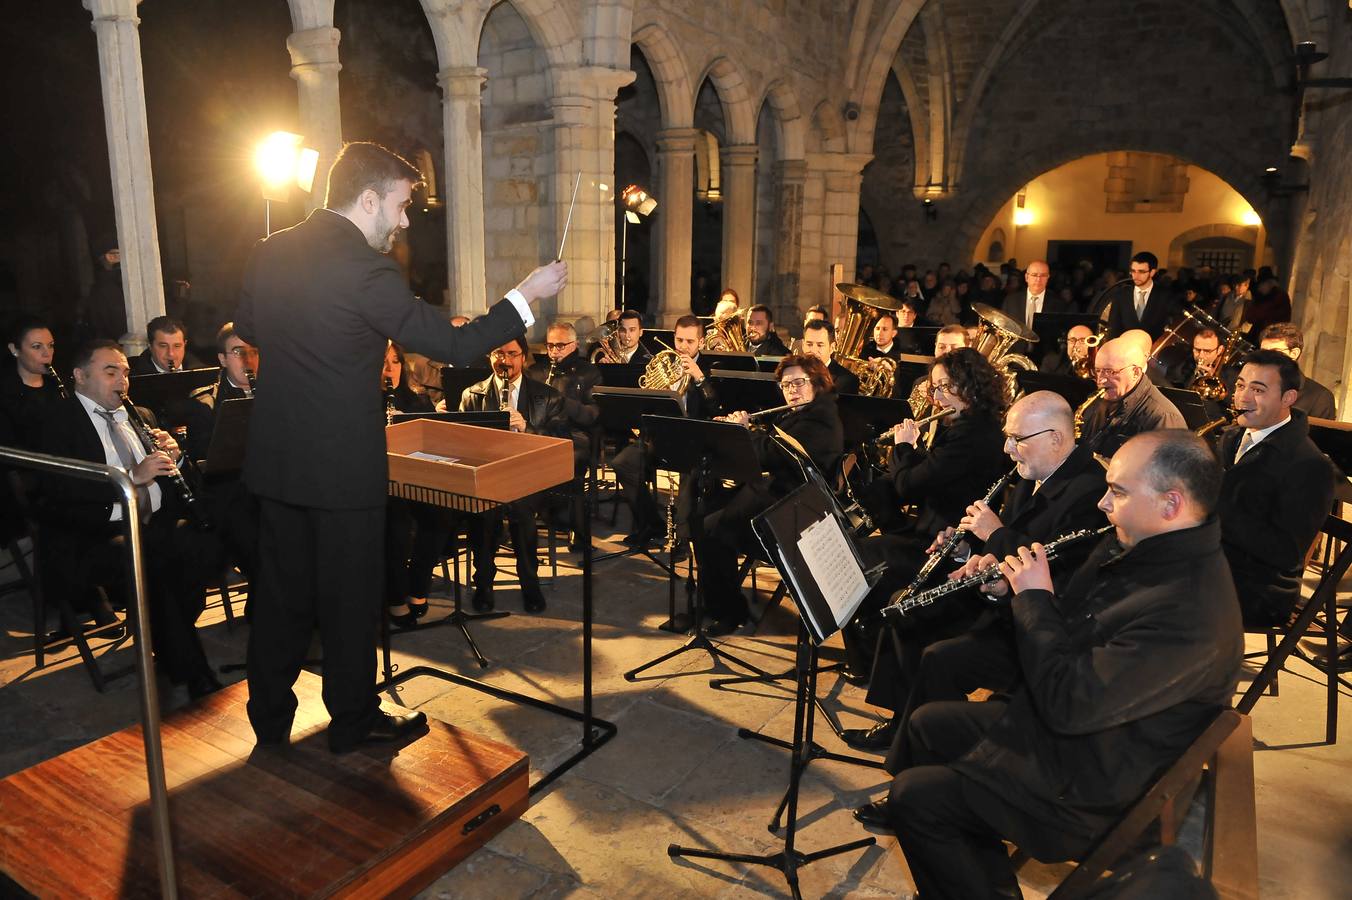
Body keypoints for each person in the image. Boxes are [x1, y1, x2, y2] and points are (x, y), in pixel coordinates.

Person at [235, 141, 567, 754]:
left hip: (278, 461)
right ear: (368, 199)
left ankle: (270, 724)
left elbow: (251, 329)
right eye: (402, 204)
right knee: (349, 600)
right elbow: (452, 346)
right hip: (342, 469)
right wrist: (525, 294)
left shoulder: (268, 252)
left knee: (280, 598)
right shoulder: (366, 269)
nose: (406, 219)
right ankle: (353, 722)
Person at [887, 430, 1242, 899]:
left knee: (916, 799)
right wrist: (1010, 593)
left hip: (1093, 787)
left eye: (1117, 492)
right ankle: (977, 883)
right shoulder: (1138, 549)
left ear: (1171, 503)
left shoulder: (1190, 610)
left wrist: (1034, 599)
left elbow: (1069, 702)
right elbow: (1067, 628)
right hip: (1076, 739)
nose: (1102, 504)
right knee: (928, 724)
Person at [847, 391, 1106, 798]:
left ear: (1056, 438)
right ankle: (903, 721)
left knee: (938, 655)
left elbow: (1055, 567)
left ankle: (918, 779)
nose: (1007, 448)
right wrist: (971, 551)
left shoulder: (1088, 492)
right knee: (903, 608)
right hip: (1001, 596)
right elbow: (1008, 547)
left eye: (1017, 438)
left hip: (1035, 623)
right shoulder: (1035, 470)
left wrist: (995, 535)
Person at [36, 340, 222, 698]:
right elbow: (59, 496)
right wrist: (130, 477)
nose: (123, 380)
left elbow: (179, 487)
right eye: (110, 372)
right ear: (79, 376)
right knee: (156, 562)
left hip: (155, 526)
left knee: (208, 543)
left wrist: (178, 458)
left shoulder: (143, 416)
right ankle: (192, 671)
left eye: (125, 372)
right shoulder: (57, 422)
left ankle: (169, 642)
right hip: (94, 535)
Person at [698, 354, 843, 633]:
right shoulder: (804, 412)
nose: (792, 390)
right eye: (786, 385)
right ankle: (715, 599)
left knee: (712, 532)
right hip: (778, 498)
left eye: (799, 382)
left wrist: (743, 431)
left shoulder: (821, 420)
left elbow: (770, 453)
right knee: (705, 515)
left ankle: (728, 611)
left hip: (794, 513)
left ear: (818, 383)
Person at [1218, 350, 1334, 626]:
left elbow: (1286, 553)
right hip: (1217, 564)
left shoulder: (1309, 464)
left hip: (1260, 590)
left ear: (1288, 398)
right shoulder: (1231, 437)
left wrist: (1214, 508)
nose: (1242, 397)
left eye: (1257, 390)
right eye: (1241, 385)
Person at [611, 315, 721, 547]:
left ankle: (681, 537)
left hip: (693, 440)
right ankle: (651, 523)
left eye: (690, 341)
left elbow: (715, 407)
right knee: (623, 463)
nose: (683, 346)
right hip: (661, 436)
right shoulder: (662, 363)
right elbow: (646, 399)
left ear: (701, 342)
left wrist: (699, 378)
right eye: (679, 340)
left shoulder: (711, 368)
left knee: (689, 473)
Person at [1077, 333, 1186, 457]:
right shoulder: (1095, 401)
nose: (1100, 380)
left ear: (1135, 372)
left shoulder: (1163, 417)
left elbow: (1164, 472)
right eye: (1098, 371)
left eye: (1110, 372)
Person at [1, 316, 64, 448]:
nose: (47, 354)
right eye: (36, 347)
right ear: (14, 350)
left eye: (51, 345)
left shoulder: (58, 387)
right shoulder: (5, 394)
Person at [1258, 322, 1336, 419]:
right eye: (1263, 352)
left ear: (1294, 354)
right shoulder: (1253, 386)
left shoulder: (1320, 397)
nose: (1266, 358)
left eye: (1275, 352)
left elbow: (1319, 434)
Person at [1105, 251, 1179, 340]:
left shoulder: (1165, 295)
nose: (1136, 276)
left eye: (1141, 272)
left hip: (1154, 349)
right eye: (1133, 271)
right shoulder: (1121, 294)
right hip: (1125, 349)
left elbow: (1176, 324)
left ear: (1152, 272)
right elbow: (1113, 327)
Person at [799, 319, 859, 395]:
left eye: (820, 345)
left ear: (832, 347)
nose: (813, 350)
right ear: (803, 345)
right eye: (809, 344)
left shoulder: (847, 381)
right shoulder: (792, 373)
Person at [130, 315, 201, 375]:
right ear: (150, 346)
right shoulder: (131, 376)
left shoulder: (201, 370)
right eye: (163, 346)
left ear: (184, 345)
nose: (171, 354)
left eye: (177, 346)